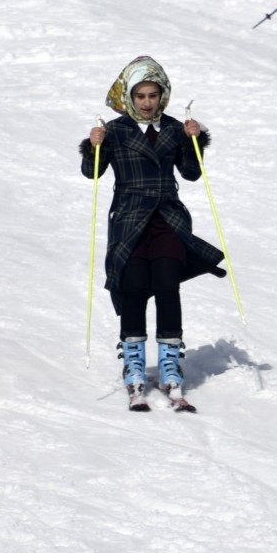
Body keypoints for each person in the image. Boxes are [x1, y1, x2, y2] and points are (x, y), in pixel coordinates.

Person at [80, 56, 225, 409]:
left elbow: (191, 175)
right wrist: (93, 146)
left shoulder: (176, 129)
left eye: (153, 95)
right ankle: (133, 367)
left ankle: (170, 368)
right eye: (141, 95)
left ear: (163, 95)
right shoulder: (115, 130)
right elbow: (93, 173)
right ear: (130, 96)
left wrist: (195, 141)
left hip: (168, 219)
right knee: (131, 289)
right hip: (129, 220)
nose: (147, 102)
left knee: (166, 285)